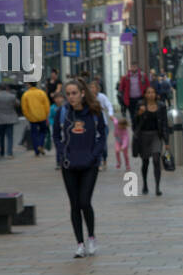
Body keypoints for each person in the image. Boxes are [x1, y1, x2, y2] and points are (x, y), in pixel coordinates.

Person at [53, 78, 107, 257]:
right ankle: (80, 243)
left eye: (74, 93)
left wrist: (94, 155)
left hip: (89, 164)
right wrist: (62, 155)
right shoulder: (62, 113)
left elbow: (102, 135)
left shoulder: (94, 112)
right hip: (69, 165)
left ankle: (91, 237)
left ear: (83, 93)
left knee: (85, 201)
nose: (71, 97)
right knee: (74, 204)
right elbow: (56, 136)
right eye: (68, 94)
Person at [133, 85, 169, 195]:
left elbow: (164, 124)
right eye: (148, 92)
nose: (150, 94)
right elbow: (134, 124)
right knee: (145, 162)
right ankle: (145, 184)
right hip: (144, 136)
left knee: (156, 159)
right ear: (145, 94)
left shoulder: (161, 106)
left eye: (152, 92)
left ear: (156, 94)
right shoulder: (140, 105)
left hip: (156, 136)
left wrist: (166, 141)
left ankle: (157, 187)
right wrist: (139, 114)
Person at [89, 80, 114, 171]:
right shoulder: (88, 98)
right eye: (90, 87)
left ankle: (105, 159)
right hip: (91, 125)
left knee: (103, 145)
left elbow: (109, 105)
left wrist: (110, 114)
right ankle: (98, 162)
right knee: (94, 144)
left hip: (103, 124)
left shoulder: (102, 97)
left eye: (93, 87)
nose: (92, 89)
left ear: (97, 88)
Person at [21, 81, 51, 157]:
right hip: (42, 116)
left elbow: (24, 108)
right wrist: (46, 114)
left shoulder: (26, 94)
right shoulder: (41, 93)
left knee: (34, 134)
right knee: (43, 132)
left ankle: (36, 150)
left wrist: (28, 116)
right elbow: (47, 105)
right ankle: (40, 145)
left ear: (29, 84)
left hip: (32, 118)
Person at [0, 82, 20, 157]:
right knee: (10, 136)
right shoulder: (12, 96)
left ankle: (1, 152)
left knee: (1, 137)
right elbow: (18, 104)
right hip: (10, 118)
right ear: (7, 88)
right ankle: (9, 152)